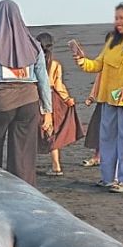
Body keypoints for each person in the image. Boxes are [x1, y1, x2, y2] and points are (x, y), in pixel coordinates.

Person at [71, 0, 123, 193]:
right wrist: (82, 61)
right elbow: (98, 64)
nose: (118, 21)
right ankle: (108, 178)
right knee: (107, 138)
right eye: (116, 18)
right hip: (109, 97)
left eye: (122, 18)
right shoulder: (112, 41)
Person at [0, 0, 53, 184]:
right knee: (23, 154)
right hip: (28, 102)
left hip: (0, 101)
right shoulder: (33, 44)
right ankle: (23, 191)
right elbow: (43, 80)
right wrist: (47, 111)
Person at [35, 32, 84, 176]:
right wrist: (68, 99)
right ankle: (56, 164)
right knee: (52, 131)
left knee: (33, 131)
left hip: (35, 97)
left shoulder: (33, 63)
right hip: (52, 98)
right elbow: (58, 85)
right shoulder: (55, 64)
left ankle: (28, 163)